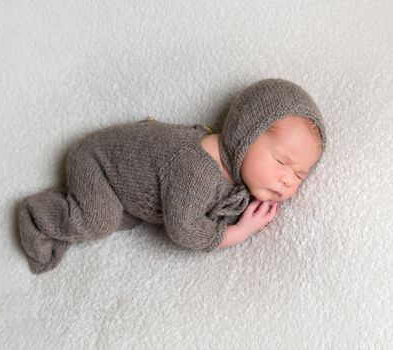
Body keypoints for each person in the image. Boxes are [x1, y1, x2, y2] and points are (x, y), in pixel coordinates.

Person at [18, 78, 326, 274]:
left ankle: (90, 209)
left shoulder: (232, 164)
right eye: (282, 162)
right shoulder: (197, 171)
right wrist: (240, 232)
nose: (289, 180)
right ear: (245, 135)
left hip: (126, 179)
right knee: (98, 221)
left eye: (300, 174)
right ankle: (38, 214)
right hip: (97, 163)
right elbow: (184, 229)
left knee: (127, 217)